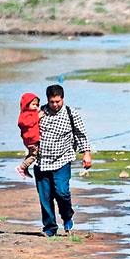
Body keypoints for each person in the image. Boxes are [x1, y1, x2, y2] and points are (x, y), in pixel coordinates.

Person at [35, 84, 92, 237]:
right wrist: (33, 119)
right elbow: (23, 126)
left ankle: (67, 216)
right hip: (41, 162)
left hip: (63, 159)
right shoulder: (38, 113)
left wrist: (86, 154)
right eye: (52, 101)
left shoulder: (70, 113)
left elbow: (81, 135)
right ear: (47, 100)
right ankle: (50, 228)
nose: (55, 105)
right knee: (45, 197)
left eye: (58, 101)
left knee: (62, 192)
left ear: (63, 99)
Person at [16, 92, 43, 178]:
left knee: (31, 154)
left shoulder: (33, 112)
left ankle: (25, 168)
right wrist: (37, 117)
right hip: (31, 139)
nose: (35, 106)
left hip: (33, 139)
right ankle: (21, 167)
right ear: (26, 105)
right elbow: (24, 123)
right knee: (34, 155)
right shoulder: (24, 114)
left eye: (37, 104)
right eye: (33, 104)